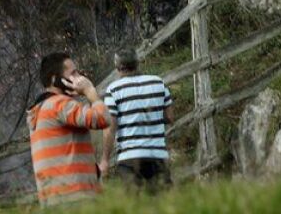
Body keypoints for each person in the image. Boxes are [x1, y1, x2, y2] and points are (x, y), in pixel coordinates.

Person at [27, 51, 110, 206]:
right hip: (76, 197)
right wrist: (90, 91)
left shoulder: (40, 110)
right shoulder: (60, 104)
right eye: (73, 73)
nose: (79, 77)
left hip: (53, 199)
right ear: (54, 79)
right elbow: (103, 119)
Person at [100, 48, 173, 190]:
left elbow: (111, 129)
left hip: (129, 158)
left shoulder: (113, 90)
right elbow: (170, 117)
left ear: (117, 66)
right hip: (157, 155)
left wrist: (105, 160)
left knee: (136, 205)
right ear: (138, 63)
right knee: (163, 204)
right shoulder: (158, 83)